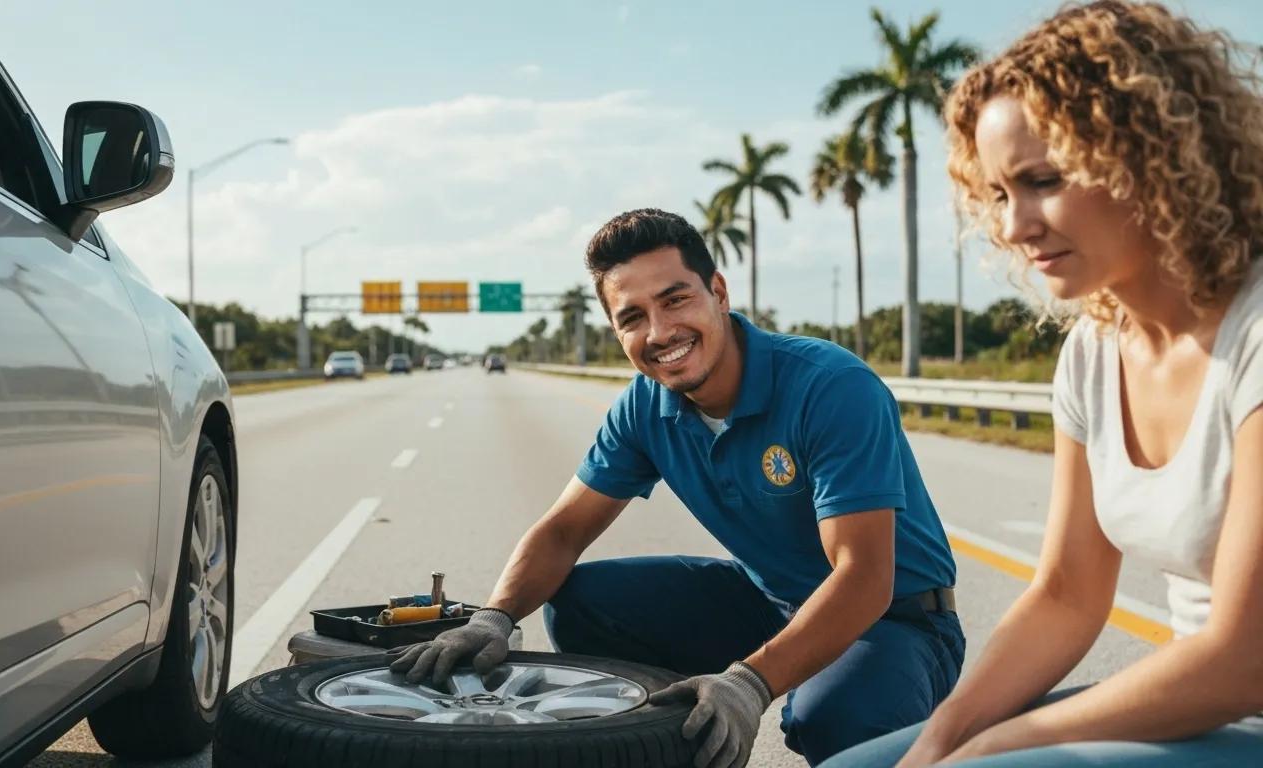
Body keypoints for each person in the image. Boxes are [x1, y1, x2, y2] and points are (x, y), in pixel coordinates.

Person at [823, 2, 1263, 766]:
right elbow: (1066, 595)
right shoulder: (1092, 352)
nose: (1015, 225)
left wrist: (1008, 740)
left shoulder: (1254, 333)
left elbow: (1241, 657)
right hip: (1212, 715)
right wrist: (944, 735)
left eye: (1043, 180)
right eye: (998, 194)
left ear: (1150, 157)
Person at [390, 208, 964, 766]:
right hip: (771, 600)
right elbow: (564, 531)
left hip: (896, 619)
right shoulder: (644, 407)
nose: (660, 332)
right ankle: (674, 745)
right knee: (581, 604)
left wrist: (749, 683)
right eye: (632, 316)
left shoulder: (830, 386)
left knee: (836, 717)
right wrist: (493, 618)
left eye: (675, 299)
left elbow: (864, 578)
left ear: (719, 290)